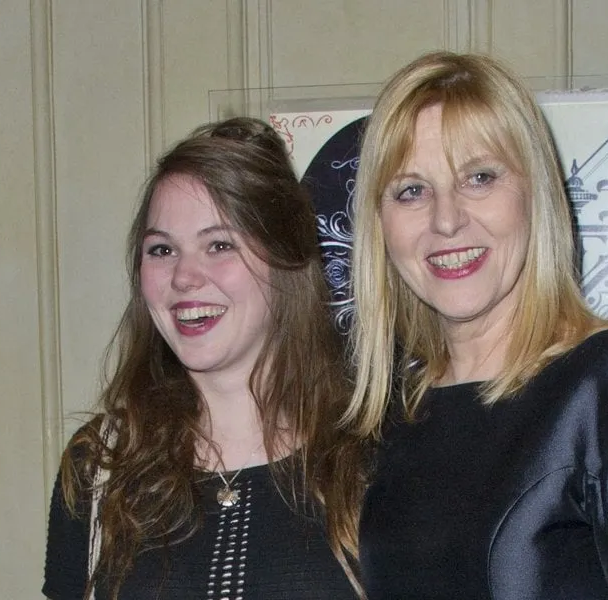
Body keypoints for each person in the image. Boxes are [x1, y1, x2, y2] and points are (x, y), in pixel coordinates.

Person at [345, 51, 608, 599]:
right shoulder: (393, 419)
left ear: (534, 194)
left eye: (479, 178)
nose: (446, 219)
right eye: (412, 190)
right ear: (379, 222)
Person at [43, 118, 366, 599]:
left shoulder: (375, 460)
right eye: (162, 249)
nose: (184, 277)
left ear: (287, 261)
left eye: (219, 245)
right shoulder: (98, 467)